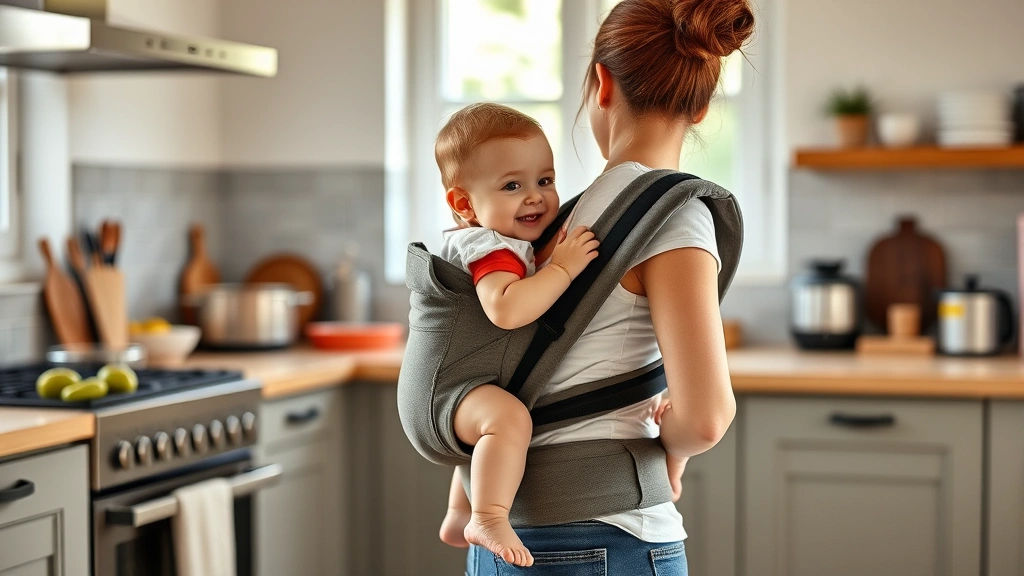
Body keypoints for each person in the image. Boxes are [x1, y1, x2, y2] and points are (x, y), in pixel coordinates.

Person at [463, 0, 754, 573]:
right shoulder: (674, 215)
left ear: (601, 82)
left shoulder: (550, 223)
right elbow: (705, 418)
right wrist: (671, 441)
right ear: (699, 108)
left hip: (501, 532)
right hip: (612, 533)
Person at [432, 102, 601, 567]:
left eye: (544, 181)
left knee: (494, 420)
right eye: (512, 185)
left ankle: (456, 511)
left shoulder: (511, 242)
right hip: (448, 388)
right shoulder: (489, 246)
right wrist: (564, 268)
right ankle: (486, 515)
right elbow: (506, 308)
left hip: (461, 384)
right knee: (509, 419)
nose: (535, 197)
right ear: (464, 204)